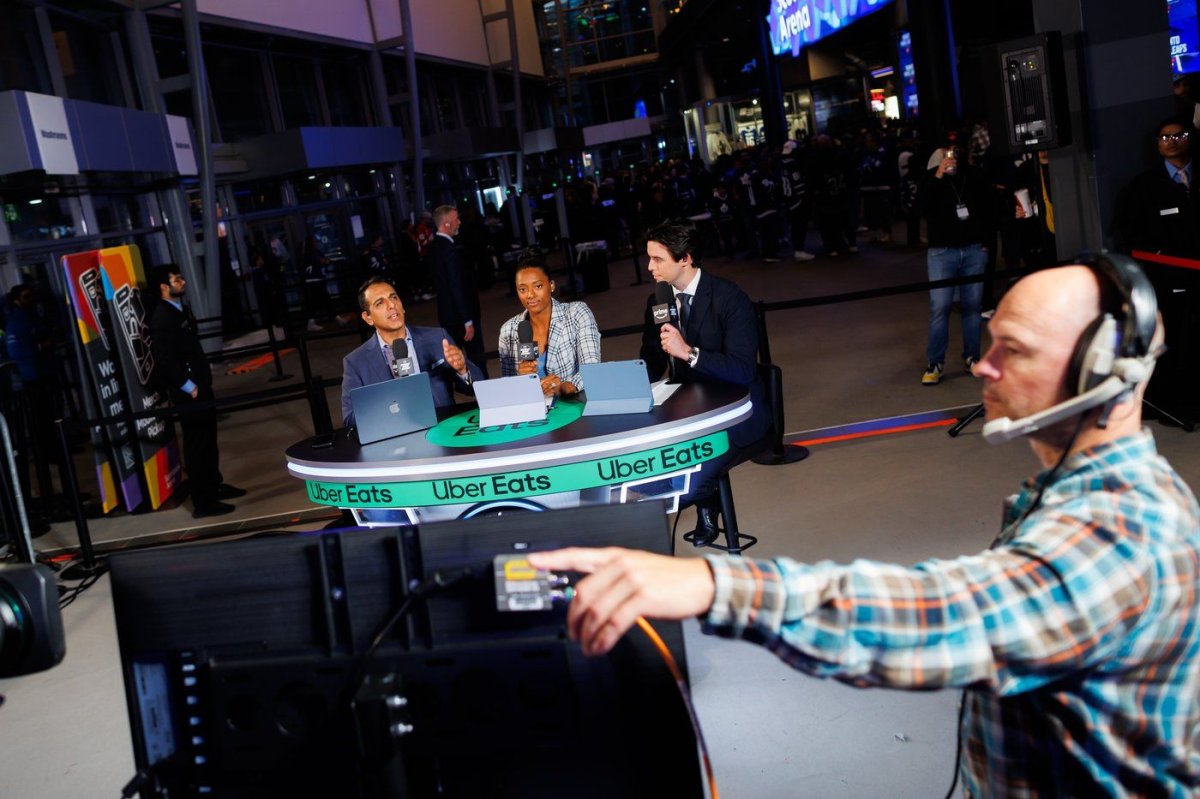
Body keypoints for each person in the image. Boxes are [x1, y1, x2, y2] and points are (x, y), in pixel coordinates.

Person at [532, 262, 1200, 797]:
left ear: (1101, 377)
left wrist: (710, 583)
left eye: (1013, 350)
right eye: (989, 339)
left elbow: (944, 615)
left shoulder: (1125, 531)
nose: (982, 365)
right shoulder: (1064, 492)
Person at [638, 219, 769, 545]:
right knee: (648, 466)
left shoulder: (730, 298)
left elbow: (743, 371)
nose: (649, 267)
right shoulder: (658, 301)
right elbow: (652, 364)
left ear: (685, 258)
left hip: (738, 410)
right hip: (687, 409)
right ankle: (705, 505)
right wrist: (626, 386)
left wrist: (690, 353)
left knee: (686, 482)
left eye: (658, 259)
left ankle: (705, 504)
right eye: (649, 258)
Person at [148, 265, 245, 519]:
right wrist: (188, 386)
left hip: (200, 384)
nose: (183, 282)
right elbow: (164, 360)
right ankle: (203, 502)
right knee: (197, 443)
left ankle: (214, 485)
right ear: (164, 286)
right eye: (176, 279)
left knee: (208, 438)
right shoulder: (162, 318)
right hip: (188, 390)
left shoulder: (180, 310)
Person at [340, 276, 483, 428]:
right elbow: (350, 417)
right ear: (367, 318)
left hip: (444, 429)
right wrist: (388, 409)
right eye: (380, 303)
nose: (391, 305)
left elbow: (478, 387)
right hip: (394, 439)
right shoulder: (356, 362)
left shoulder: (438, 338)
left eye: (394, 297)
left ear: (402, 305)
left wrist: (462, 370)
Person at [919, 139, 996, 385]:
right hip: (942, 252)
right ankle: (935, 362)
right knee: (940, 307)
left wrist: (986, 243)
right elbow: (919, 208)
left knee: (973, 306)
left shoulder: (974, 175)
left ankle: (972, 357)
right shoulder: (931, 178)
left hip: (973, 249)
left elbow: (987, 208)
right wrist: (939, 176)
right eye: (946, 152)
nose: (952, 155)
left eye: (955, 150)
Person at [497, 258, 601, 398]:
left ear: (551, 285)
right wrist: (521, 381)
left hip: (575, 406)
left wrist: (564, 386)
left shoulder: (577, 313)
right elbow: (508, 389)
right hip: (533, 412)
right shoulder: (508, 331)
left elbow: (592, 370)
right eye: (523, 289)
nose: (530, 295)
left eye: (538, 286)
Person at [427, 205, 488, 377]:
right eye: (456, 220)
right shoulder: (450, 250)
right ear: (446, 224)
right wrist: (467, 321)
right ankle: (484, 393)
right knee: (476, 358)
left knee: (454, 359)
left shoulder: (434, 248)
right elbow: (456, 286)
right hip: (462, 316)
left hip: (446, 315)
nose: (459, 223)